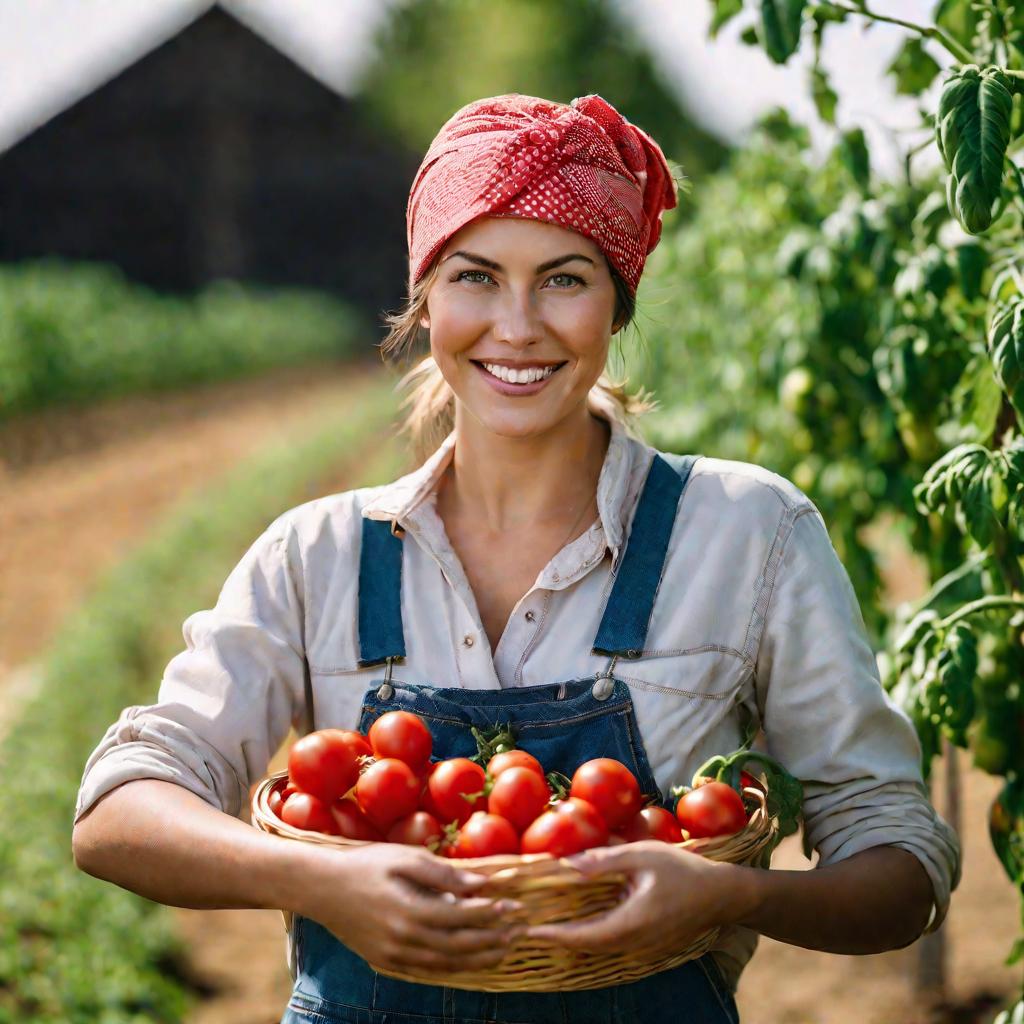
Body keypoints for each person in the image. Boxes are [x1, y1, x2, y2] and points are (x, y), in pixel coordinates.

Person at [72, 93, 961, 1024]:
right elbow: (117, 814)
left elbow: (898, 867)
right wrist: (319, 880)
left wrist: (740, 896)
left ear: (618, 304)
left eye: (566, 279)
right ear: (425, 299)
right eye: (475, 276)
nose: (518, 324)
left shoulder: (748, 534)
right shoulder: (319, 557)